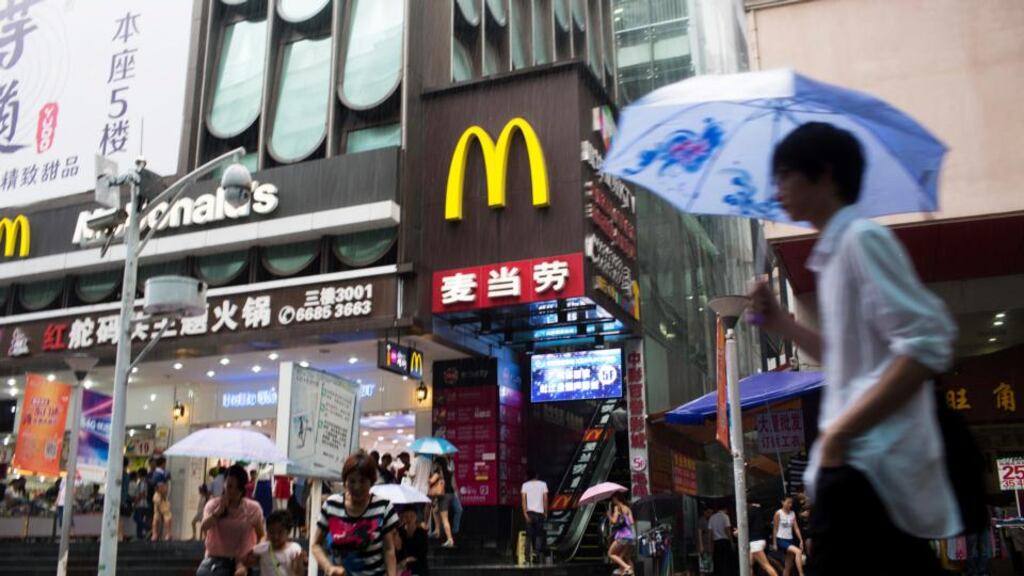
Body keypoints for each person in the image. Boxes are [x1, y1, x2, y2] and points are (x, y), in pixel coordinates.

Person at [749, 122, 961, 576]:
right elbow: (844, 359)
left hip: (868, 467)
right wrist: (782, 323)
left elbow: (928, 343)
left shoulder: (863, 242)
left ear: (824, 175)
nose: (777, 188)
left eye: (785, 174)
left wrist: (843, 431)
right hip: (859, 469)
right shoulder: (838, 250)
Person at [312, 450, 398, 576]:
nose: (357, 487)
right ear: (344, 481)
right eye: (352, 481)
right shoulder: (331, 505)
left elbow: (389, 549)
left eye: (363, 481)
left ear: (372, 481)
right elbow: (316, 545)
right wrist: (329, 568)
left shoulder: (383, 507)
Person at [199, 464, 266, 576]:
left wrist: (256, 553)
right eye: (228, 485)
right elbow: (204, 527)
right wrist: (219, 511)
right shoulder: (213, 504)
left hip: (242, 564)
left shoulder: (253, 508)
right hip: (215, 563)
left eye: (234, 486)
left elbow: (261, 535)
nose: (230, 490)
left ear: (241, 487)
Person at [246, 510, 304, 576]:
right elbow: (246, 560)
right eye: (272, 532)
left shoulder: (294, 549)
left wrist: (299, 565)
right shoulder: (261, 548)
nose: (276, 536)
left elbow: (299, 573)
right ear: (267, 531)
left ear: (288, 532)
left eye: (280, 532)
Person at [520, 469, 548, 563]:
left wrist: (525, 514)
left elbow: (523, 501)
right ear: (537, 475)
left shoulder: (525, 485)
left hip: (529, 513)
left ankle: (527, 558)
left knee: (529, 536)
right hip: (539, 513)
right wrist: (546, 512)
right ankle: (537, 554)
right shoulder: (543, 484)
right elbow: (545, 499)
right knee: (539, 535)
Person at [773, 496, 804, 576]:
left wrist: (801, 540)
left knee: (788, 566)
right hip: (781, 539)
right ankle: (801, 574)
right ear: (783, 502)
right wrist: (775, 543)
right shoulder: (778, 513)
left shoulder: (792, 513)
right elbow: (775, 529)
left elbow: (796, 528)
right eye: (788, 502)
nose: (790, 505)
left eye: (791, 503)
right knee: (798, 552)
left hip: (790, 539)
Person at [428, 455, 455, 548]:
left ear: (438, 464)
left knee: (444, 518)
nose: (434, 464)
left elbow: (431, 481)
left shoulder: (438, 471)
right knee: (435, 510)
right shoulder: (448, 470)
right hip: (449, 493)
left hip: (444, 495)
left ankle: (450, 539)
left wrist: (427, 478)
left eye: (435, 463)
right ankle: (437, 531)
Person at [606, 492, 635, 576]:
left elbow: (614, 521)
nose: (613, 500)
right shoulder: (628, 508)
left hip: (622, 536)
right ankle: (630, 573)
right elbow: (632, 522)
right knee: (625, 557)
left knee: (610, 553)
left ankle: (627, 568)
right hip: (630, 536)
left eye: (613, 498)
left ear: (616, 498)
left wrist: (609, 516)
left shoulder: (617, 507)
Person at [395, 506, 429, 576]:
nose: (409, 519)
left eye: (411, 516)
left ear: (416, 517)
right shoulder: (400, 532)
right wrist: (398, 546)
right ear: (403, 517)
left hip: (419, 567)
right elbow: (398, 553)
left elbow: (422, 553)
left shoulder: (422, 533)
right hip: (402, 568)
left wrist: (407, 560)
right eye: (406, 516)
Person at [750, 503, 779, 576]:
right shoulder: (760, 513)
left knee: (766, 566)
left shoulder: (750, 511)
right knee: (748, 565)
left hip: (755, 542)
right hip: (759, 541)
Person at [708, 505, 735, 576]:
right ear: (725, 509)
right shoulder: (725, 517)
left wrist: (710, 544)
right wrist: (731, 542)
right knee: (726, 562)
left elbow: (710, 532)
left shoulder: (712, 517)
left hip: (716, 542)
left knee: (718, 562)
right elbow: (727, 530)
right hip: (725, 541)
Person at [129, 468, 150, 540]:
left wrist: (136, 502)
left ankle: (148, 528)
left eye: (138, 473)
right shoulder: (143, 481)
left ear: (140, 474)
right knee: (139, 520)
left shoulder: (143, 482)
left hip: (141, 504)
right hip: (143, 504)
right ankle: (139, 535)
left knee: (136, 518)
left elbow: (142, 493)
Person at [697, 507, 714, 574]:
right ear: (705, 512)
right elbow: (699, 533)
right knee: (703, 567)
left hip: (709, 547)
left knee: (709, 567)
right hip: (703, 546)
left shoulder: (710, 520)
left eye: (711, 513)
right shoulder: (701, 520)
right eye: (708, 512)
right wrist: (701, 546)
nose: (710, 514)